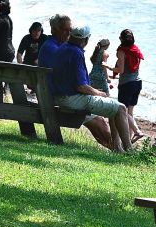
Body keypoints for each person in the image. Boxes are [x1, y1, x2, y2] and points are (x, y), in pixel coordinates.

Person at [52, 24, 133, 153]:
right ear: (86, 40)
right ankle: (129, 150)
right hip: (72, 99)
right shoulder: (76, 53)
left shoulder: (63, 48)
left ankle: (118, 148)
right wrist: (99, 94)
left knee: (113, 105)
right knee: (121, 108)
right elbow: (81, 87)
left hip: (60, 96)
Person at [38, 14, 112, 149]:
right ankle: (120, 150)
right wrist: (94, 92)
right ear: (54, 29)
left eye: (70, 30)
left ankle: (117, 148)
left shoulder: (58, 46)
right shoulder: (54, 49)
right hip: (57, 97)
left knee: (98, 119)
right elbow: (71, 80)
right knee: (99, 120)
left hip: (55, 94)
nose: (69, 33)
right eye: (64, 29)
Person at [110, 29, 144, 142]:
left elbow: (121, 69)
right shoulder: (136, 49)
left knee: (123, 112)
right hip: (137, 83)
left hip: (126, 85)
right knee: (130, 113)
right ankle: (128, 141)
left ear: (121, 39)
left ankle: (137, 131)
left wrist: (108, 67)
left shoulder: (121, 51)